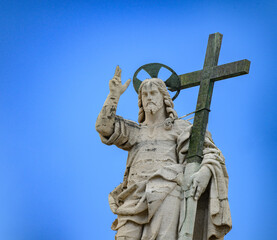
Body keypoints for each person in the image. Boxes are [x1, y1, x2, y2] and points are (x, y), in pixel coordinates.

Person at [95, 66, 232, 240]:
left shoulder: (181, 128)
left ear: (164, 97)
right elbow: (103, 127)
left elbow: (212, 153)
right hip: (132, 199)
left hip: (168, 193)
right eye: (144, 95)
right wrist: (114, 95)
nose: (148, 98)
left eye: (153, 93)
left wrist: (205, 172)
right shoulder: (135, 131)